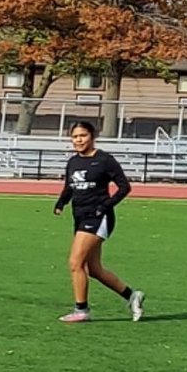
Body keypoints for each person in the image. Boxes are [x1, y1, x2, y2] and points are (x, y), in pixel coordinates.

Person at [54, 120, 143, 323]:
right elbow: (69, 187)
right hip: (80, 217)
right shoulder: (73, 162)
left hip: (98, 217)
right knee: (94, 269)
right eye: (75, 137)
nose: (79, 140)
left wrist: (105, 206)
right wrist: (61, 203)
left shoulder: (105, 160)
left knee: (75, 262)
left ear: (92, 137)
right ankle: (132, 295)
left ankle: (81, 310)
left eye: (83, 135)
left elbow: (124, 187)